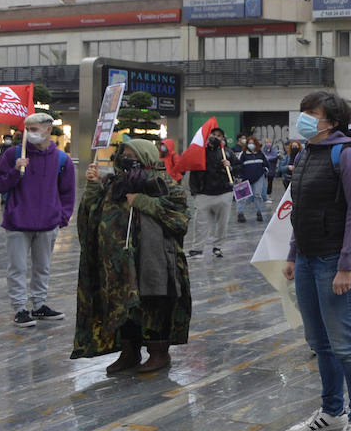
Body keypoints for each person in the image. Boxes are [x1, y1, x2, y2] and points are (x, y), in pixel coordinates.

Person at [281, 90, 351, 431]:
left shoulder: (348, 155)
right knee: (319, 342)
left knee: (345, 344)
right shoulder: (307, 153)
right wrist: (293, 253)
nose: (304, 118)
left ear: (332, 121)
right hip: (307, 258)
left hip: (334, 262)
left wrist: (346, 265)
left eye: (312, 113)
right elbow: (300, 208)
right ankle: (332, 411)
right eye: (302, 111)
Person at [73, 139, 191, 374]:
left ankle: (159, 353)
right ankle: (129, 351)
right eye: (123, 153)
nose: (126, 157)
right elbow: (93, 215)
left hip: (154, 259)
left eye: (132, 153)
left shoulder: (163, 183)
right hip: (118, 262)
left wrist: (143, 201)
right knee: (124, 307)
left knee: (154, 304)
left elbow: (179, 217)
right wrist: (93, 188)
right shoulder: (114, 185)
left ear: (145, 156)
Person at [0, 112, 74, 328]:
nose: (30, 133)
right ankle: (20, 308)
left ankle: (39, 305)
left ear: (48, 129)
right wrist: (14, 170)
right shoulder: (12, 154)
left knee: (42, 267)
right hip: (18, 223)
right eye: (28, 129)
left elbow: (67, 192)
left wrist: (61, 217)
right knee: (16, 267)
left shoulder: (62, 159)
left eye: (35, 129)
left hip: (48, 223)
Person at [186, 126, 235, 259]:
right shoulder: (200, 153)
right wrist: (195, 192)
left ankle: (218, 247)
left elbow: (239, 168)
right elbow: (194, 173)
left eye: (219, 135)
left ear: (223, 138)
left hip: (223, 193)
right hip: (204, 194)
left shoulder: (228, 152)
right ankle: (197, 248)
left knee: (222, 224)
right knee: (200, 223)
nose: (216, 137)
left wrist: (229, 166)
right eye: (213, 134)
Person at [236, 136, 266, 223]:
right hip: (245, 178)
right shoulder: (243, 154)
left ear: (256, 144)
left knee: (258, 195)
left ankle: (259, 213)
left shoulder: (260, 154)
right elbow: (238, 166)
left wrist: (264, 171)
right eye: (249, 143)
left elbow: (266, 164)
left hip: (258, 178)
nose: (251, 145)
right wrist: (239, 177)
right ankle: (240, 213)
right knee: (242, 197)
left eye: (252, 143)